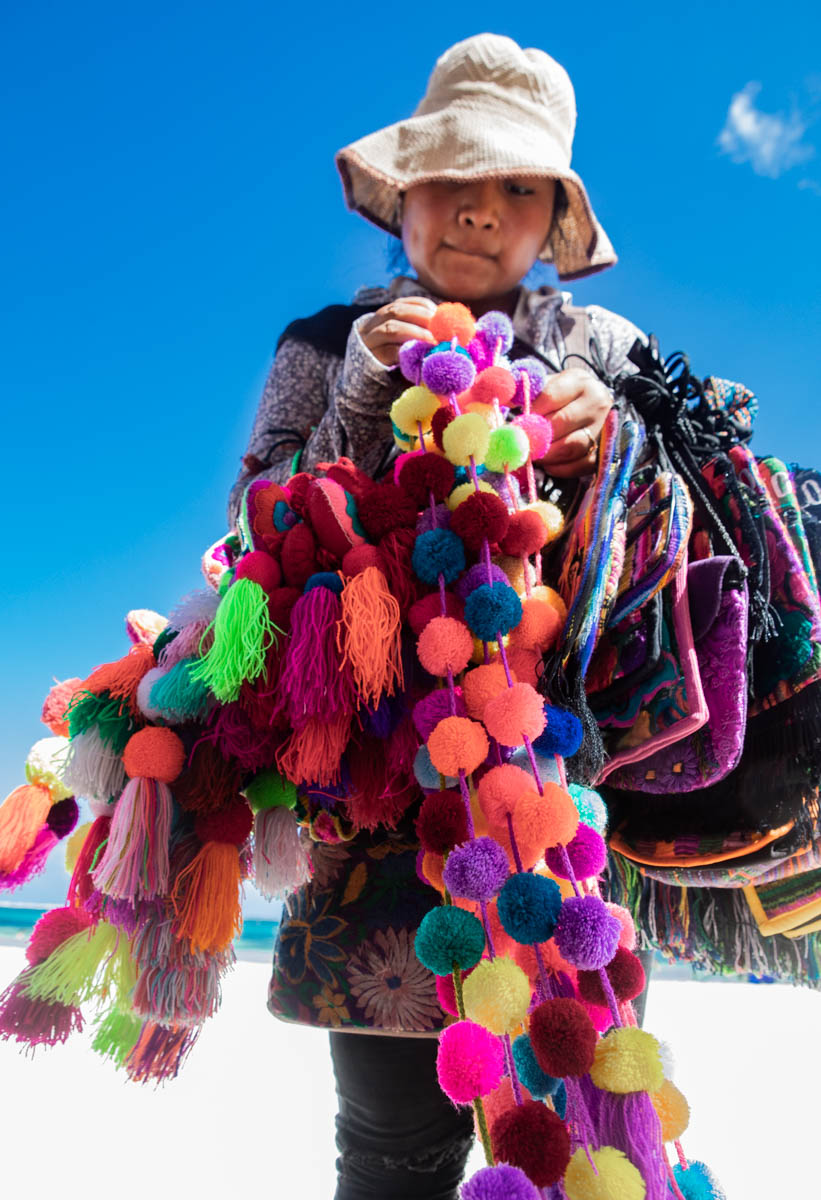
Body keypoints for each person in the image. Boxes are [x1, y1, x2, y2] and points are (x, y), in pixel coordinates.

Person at [229, 34, 646, 1200]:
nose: (479, 211)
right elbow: (253, 523)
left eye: (518, 186)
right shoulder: (323, 344)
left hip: (567, 808)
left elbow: (710, 472)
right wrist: (370, 385)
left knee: (578, 1136)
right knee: (391, 1153)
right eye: (455, 177)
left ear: (553, 218)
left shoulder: (604, 354)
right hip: (370, 805)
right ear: (402, 192)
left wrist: (615, 437)